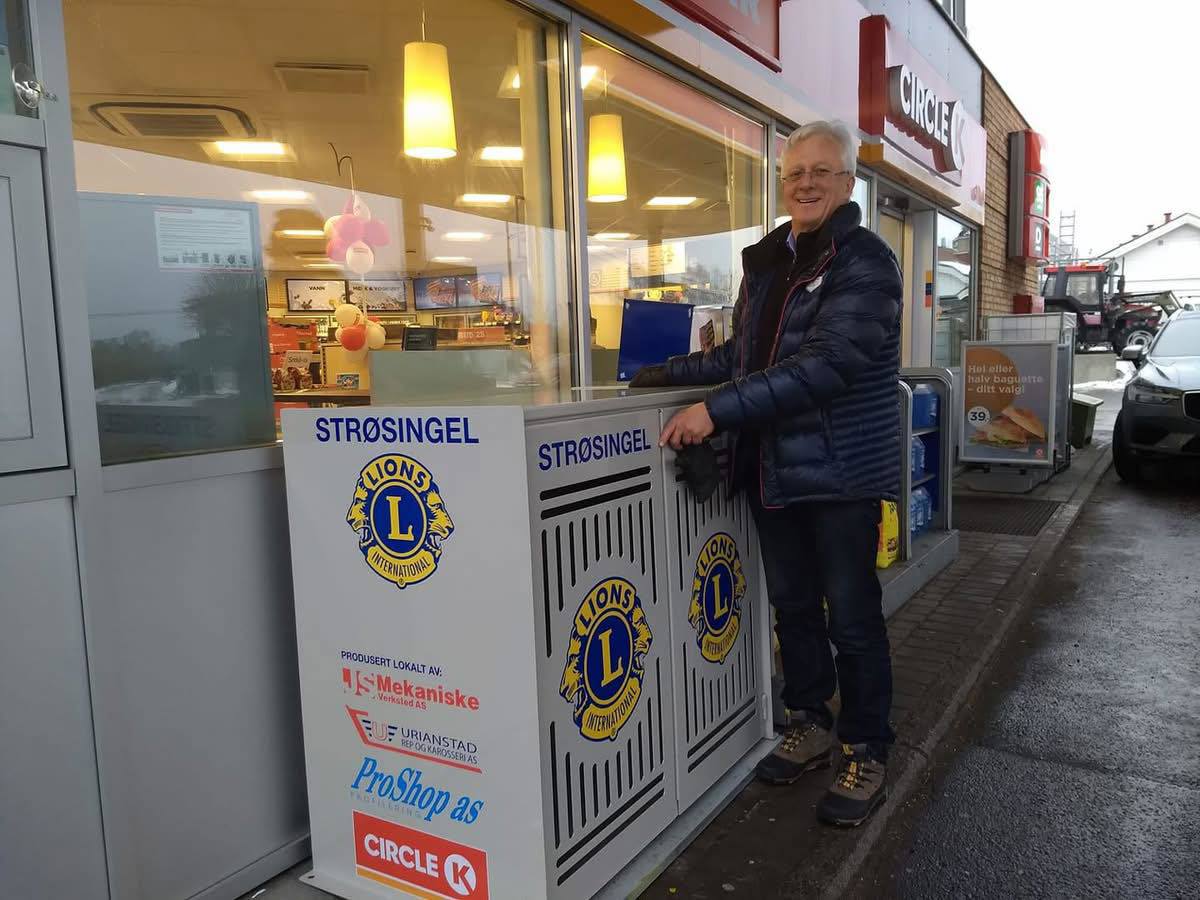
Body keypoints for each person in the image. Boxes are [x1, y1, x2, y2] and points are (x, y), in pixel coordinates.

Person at [632, 120, 903, 827]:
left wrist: (716, 412)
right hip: (774, 469)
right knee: (791, 607)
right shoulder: (770, 262)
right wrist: (653, 376)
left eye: (822, 171)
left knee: (851, 616)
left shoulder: (864, 260)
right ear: (782, 184)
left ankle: (867, 745)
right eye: (795, 173)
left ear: (847, 183)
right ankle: (810, 719)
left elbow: (827, 366)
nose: (806, 183)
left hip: (840, 472)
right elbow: (738, 360)